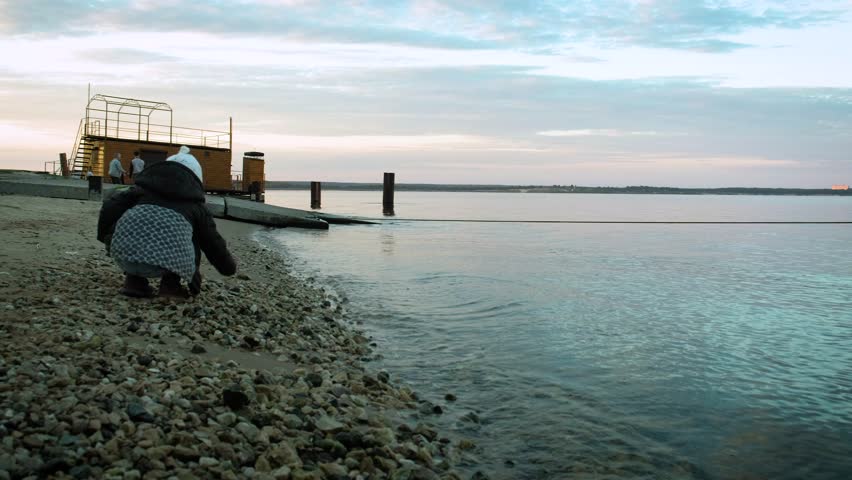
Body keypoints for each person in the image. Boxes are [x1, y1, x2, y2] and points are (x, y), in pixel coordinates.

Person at [97, 145, 235, 297]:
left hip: (125, 255)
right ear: (196, 179)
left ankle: (133, 282)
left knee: (138, 223)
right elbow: (212, 242)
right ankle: (170, 285)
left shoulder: (139, 191)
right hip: (168, 263)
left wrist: (104, 237)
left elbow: (110, 207)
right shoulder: (196, 206)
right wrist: (227, 268)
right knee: (190, 236)